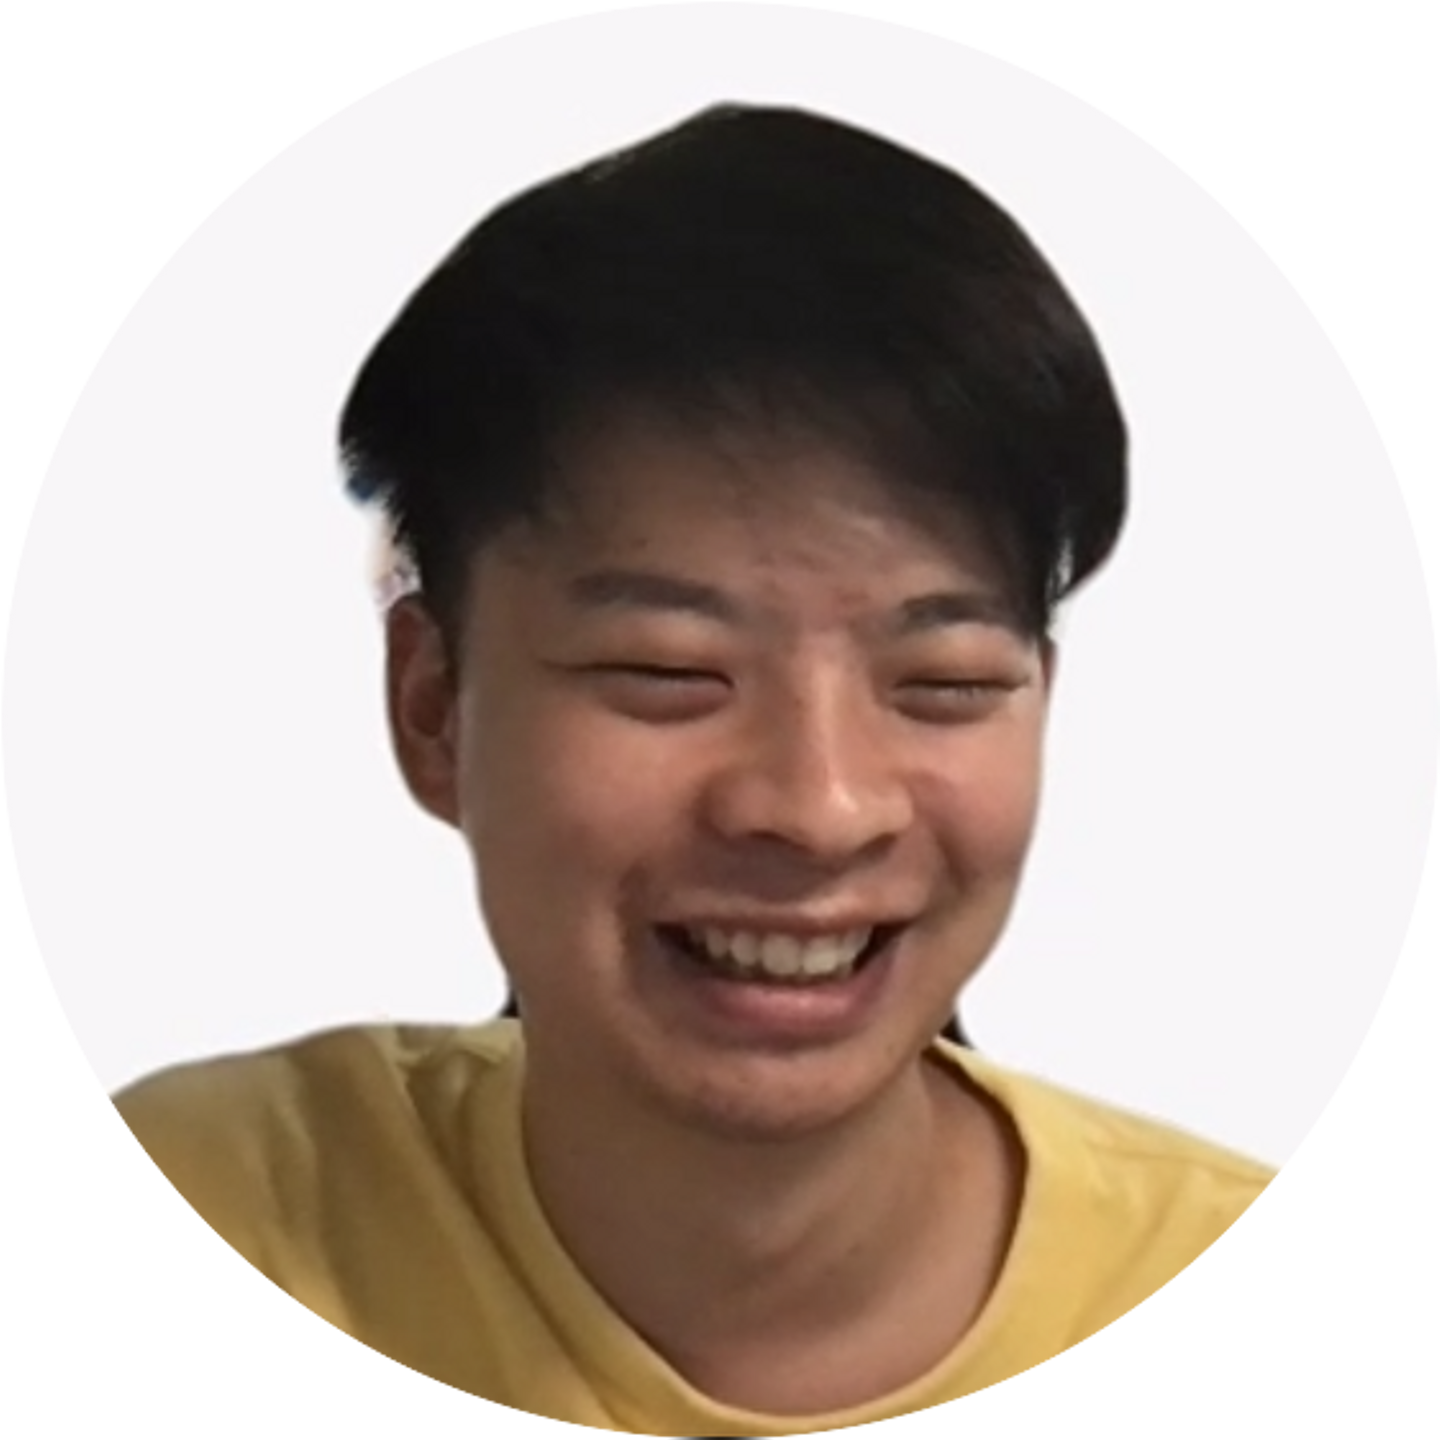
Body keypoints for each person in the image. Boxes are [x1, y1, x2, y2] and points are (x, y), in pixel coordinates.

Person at [109, 104, 1277, 1429]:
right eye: (667, 672)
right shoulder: (232, 1207)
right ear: (432, 707)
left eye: (944, 683)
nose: (821, 807)